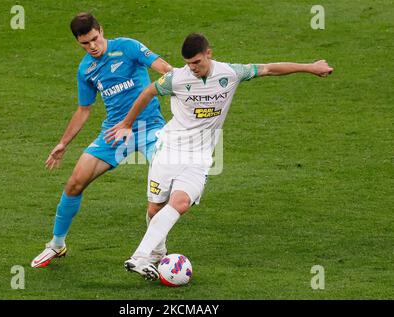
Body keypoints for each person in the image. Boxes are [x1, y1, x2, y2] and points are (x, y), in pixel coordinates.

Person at [104, 33, 334, 280]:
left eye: (197, 62)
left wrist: (310, 67)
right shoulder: (176, 78)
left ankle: (138, 257)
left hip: (199, 158)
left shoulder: (230, 73)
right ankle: (157, 252)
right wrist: (127, 123)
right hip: (170, 150)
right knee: (155, 207)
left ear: (209, 54)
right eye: (189, 63)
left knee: (180, 203)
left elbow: (268, 68)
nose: (192, 68)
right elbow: (148, 92)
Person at [31, 12, 172, 268]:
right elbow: (83, 110)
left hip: (150, 128)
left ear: (101, 30)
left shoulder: (128, 47)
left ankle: (155, 252)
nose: (92, 47)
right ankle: (56, 244)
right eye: (85, 43)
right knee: (74, 183)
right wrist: (63, 143)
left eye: (95, 39)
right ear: (78, 42)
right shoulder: (86, 69)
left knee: (158, 191)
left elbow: (165, 69)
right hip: (114, 134)